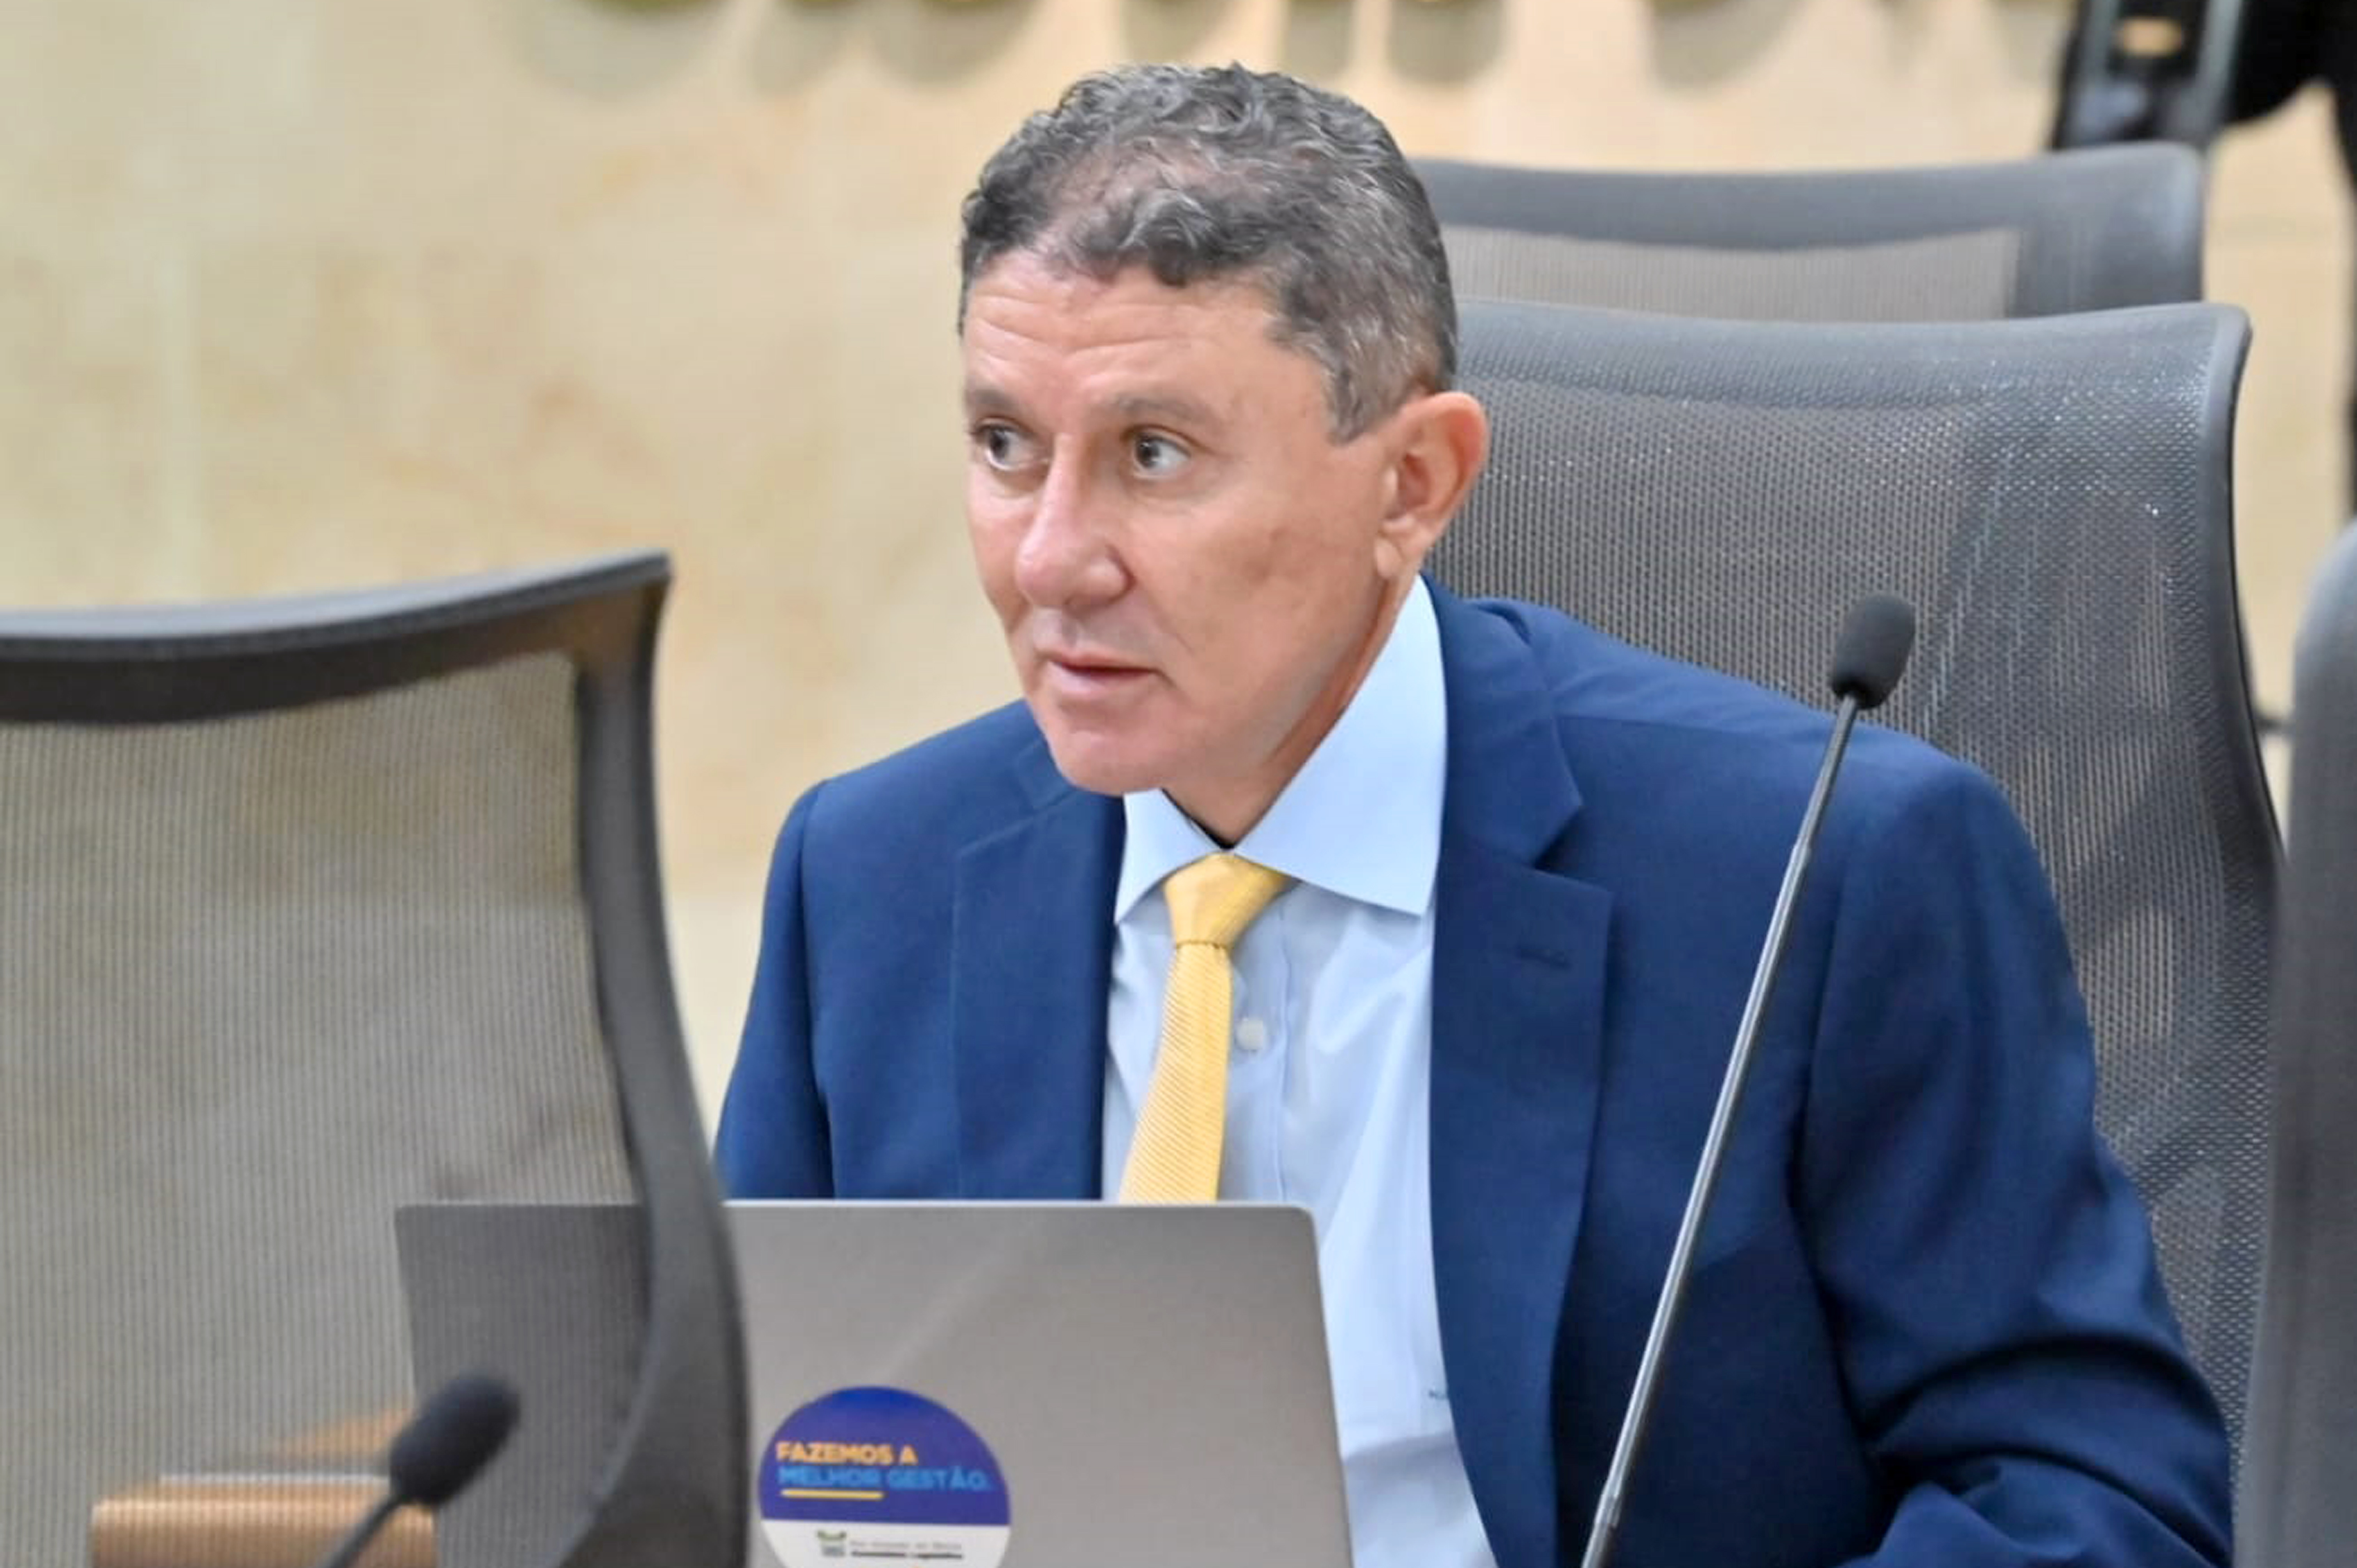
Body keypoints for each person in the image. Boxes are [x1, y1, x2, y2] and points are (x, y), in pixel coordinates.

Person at [716, 62, 2232, 1568]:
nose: (1050, 560)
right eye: (1005, 445)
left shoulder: (1826, 872)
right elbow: (742, 1469)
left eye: (1153, 456)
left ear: (1413, 483)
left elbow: (2098, 1501)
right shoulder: (870, 882)